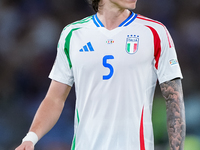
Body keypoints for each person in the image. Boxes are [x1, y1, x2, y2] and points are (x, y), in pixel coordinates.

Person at [15, 0, 186, 149]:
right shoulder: (73, 34)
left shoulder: (155, 32)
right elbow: (55, 99)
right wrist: (30, 138)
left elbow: (174, 98)